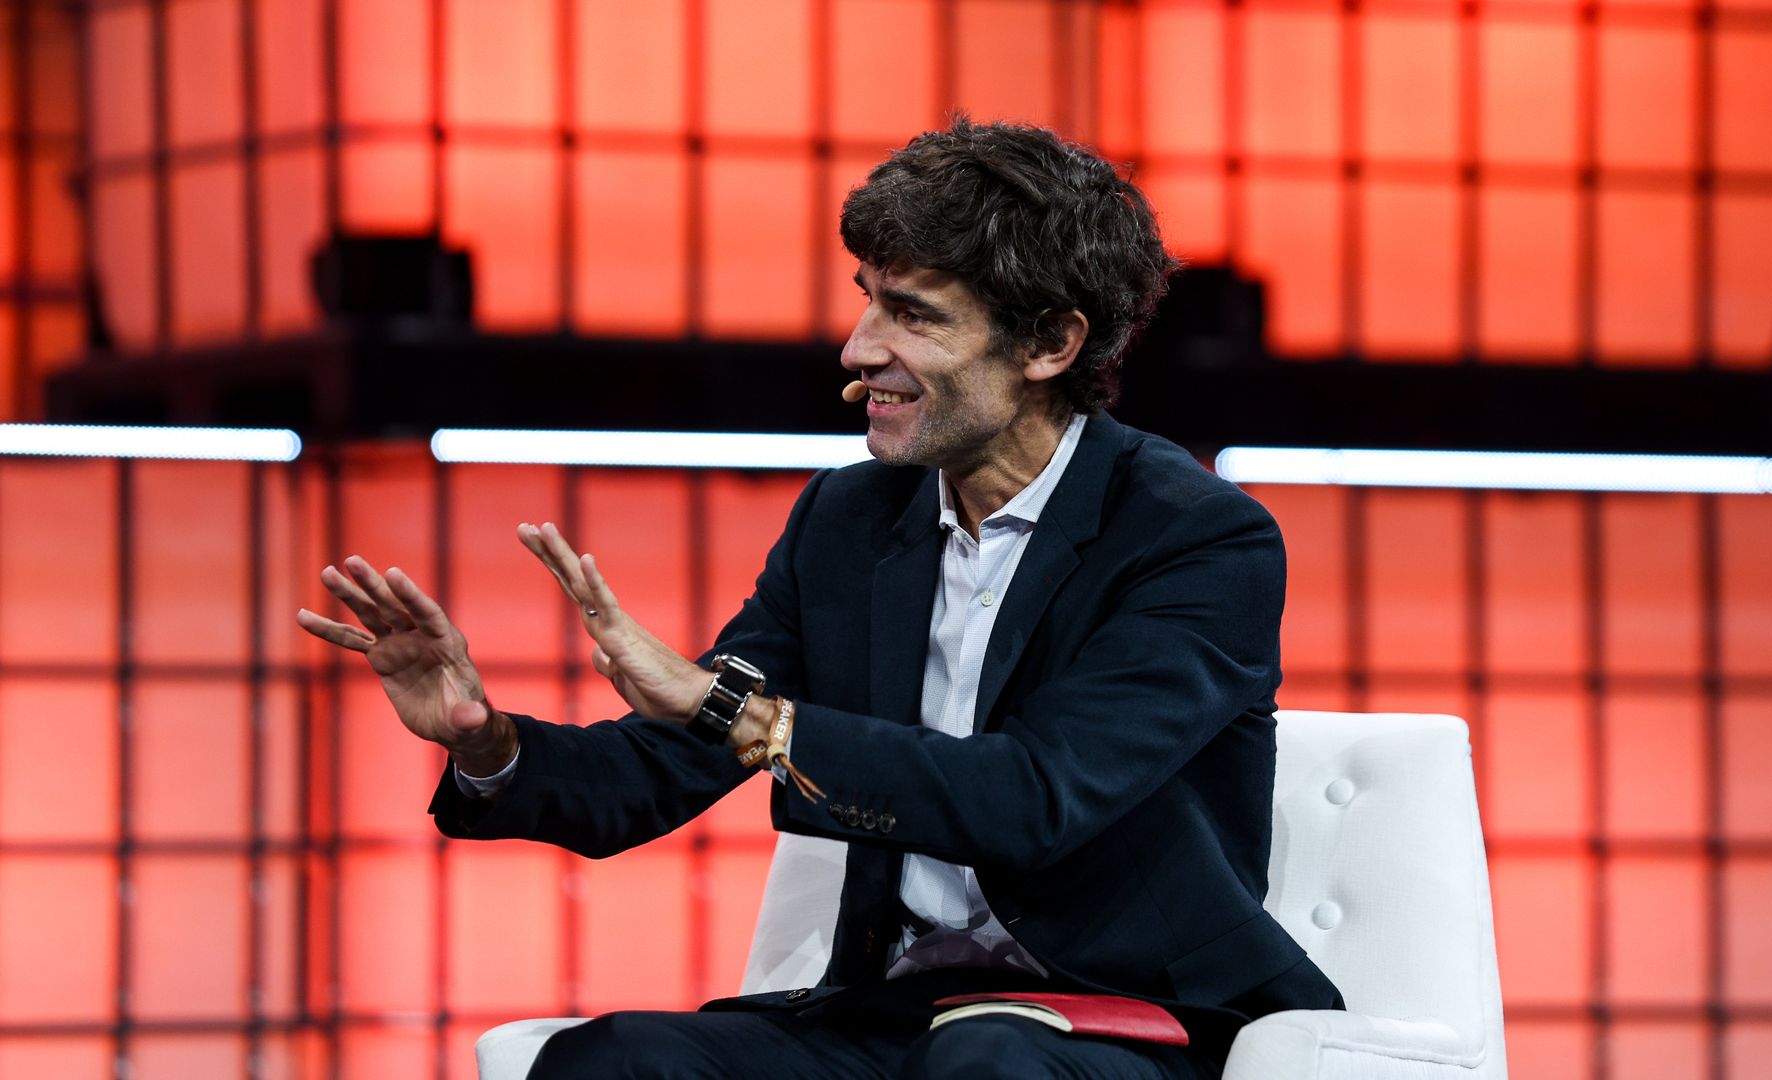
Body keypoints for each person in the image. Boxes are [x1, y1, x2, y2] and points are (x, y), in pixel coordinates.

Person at [296, 118, 1342, 1079]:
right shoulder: (851, 521)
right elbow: (670, 762)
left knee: (986, 1069)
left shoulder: (1195, 538)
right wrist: (486, 745)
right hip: (899, 1012)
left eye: (912, 315)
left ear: (1048, 345)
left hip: (1125, 1021)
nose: (858, 349)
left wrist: (746, 715)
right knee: (613, 1061)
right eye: (866, 297)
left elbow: (1034, 799)